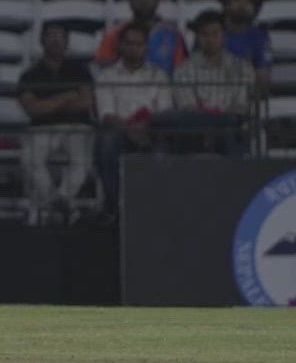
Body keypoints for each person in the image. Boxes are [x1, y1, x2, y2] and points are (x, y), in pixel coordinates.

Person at [92, 22, 173, 215]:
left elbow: (164, 113)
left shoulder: (159, 75)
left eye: (139, 44)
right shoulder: (106, 76)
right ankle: (115, 208)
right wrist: (130, 129)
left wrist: (146, 128)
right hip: (120, 132)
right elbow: (106, 115)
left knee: (164, 148)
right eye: (129, 43)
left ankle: (155, 211)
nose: (133, 48)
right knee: (106, 142)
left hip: (151, 132)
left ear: (146, 47)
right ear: (120, 46)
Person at [17, 22, 95, 217]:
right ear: (41, 41)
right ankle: (57, 202)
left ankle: (59, 200)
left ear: (67, 41)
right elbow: (33, 110)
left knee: (82, 162)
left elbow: (85, 103)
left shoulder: (81, 70)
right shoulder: (30, 75)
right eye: (51, 36)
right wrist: (66, 97)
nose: (56, 40)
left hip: (77, 127)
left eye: (61, 36)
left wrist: (47, 104)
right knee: (29, 159)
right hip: (42, 129)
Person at [164, 11, 256, 155]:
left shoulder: (242, 68)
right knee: (187, 126)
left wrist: (218, 122)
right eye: (204, 34)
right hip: (195, 131)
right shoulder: (183, 70)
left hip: (231, 128)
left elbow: (240, 107)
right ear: (197, 37)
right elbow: (188, 107)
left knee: (233, 129)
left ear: (223, 35)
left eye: (215, 33)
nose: (210, 39)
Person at [92, 0, 185, 70]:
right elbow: (105, 67)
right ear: (130, 2)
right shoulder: (114, 33)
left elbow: (180, 69)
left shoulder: (173, 35)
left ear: (157, 1)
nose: (143, 1)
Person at [220, 0, 274, 97]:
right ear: (227, 3)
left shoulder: (260, 37)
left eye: (249, 1)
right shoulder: (211, 33)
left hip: (247, 101)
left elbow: (263, 77)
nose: (243, 5)